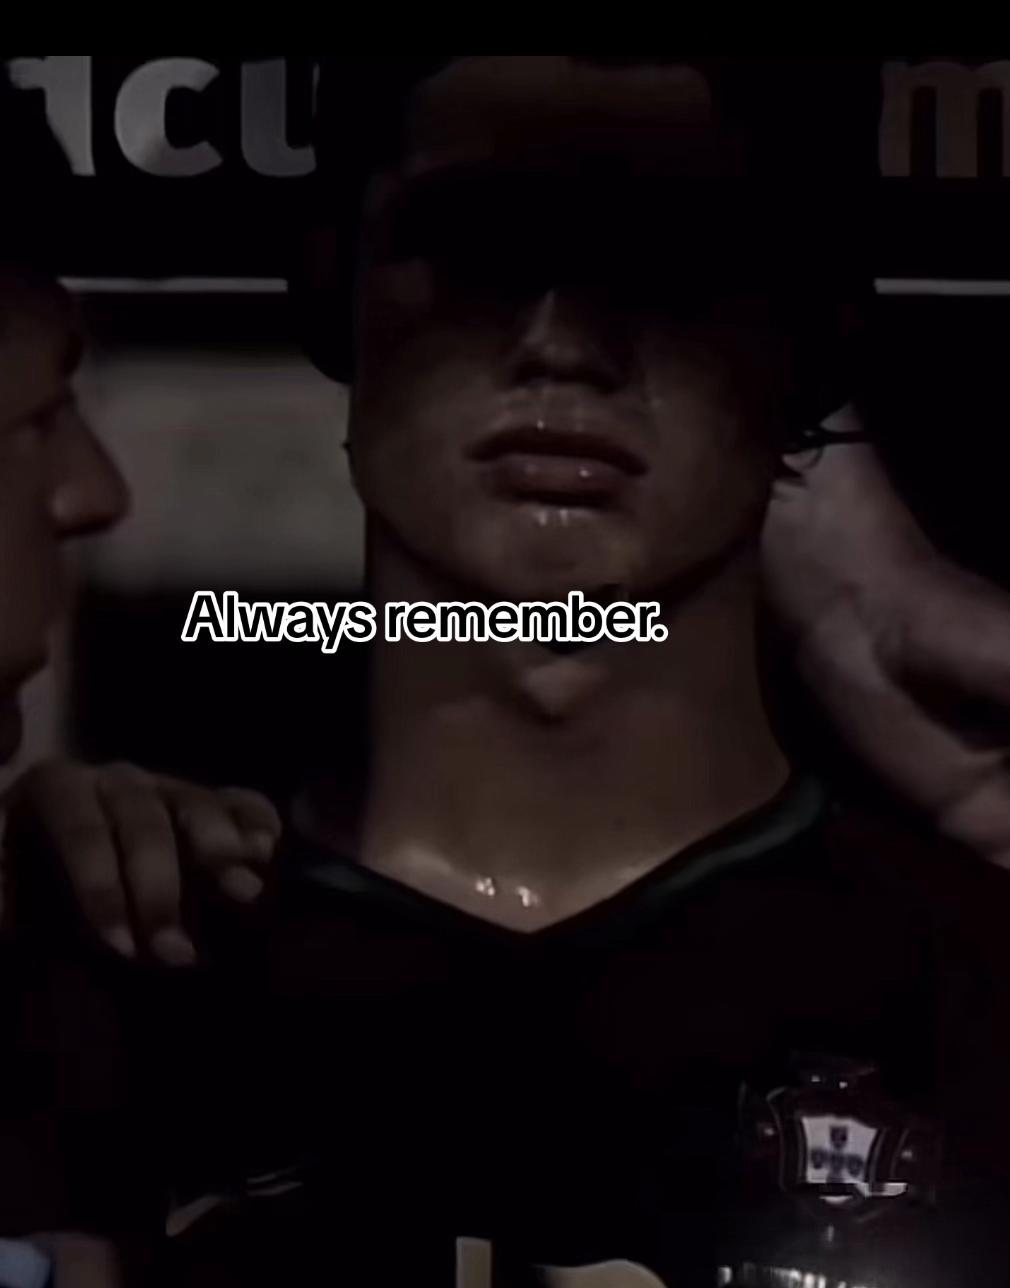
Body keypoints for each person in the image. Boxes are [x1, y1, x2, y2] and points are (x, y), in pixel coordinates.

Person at [4, 55, 1010, 1287]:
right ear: (328, 286)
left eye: (669, 257)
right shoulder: (93, 974)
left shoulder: (975, 987)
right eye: (476, 244)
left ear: (816, 331)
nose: (561, 341)